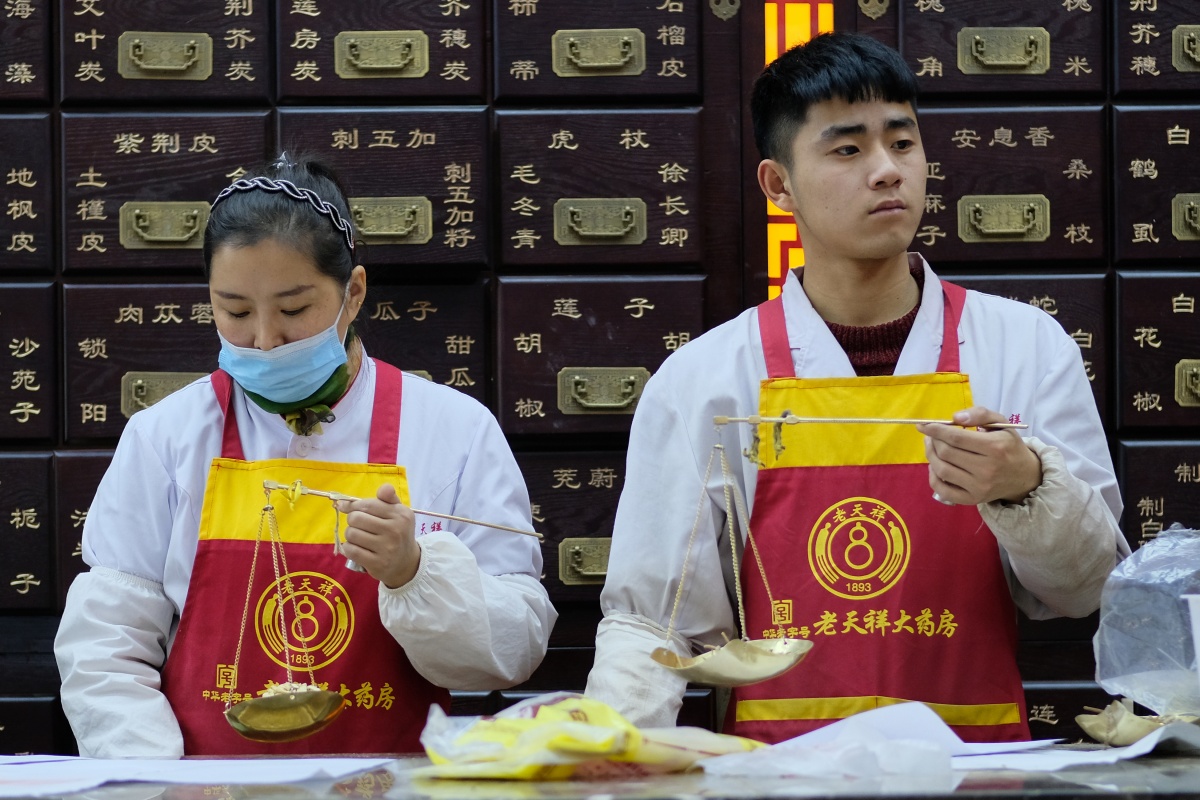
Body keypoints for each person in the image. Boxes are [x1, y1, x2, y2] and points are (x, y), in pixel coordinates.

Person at [585, 32, 1127, 744]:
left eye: (902, 143)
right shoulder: (706, 379)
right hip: (774, 777)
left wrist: (1026, 485)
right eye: (848, 150)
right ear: (778, 185)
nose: (886, 171)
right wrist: (604, 753)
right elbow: (654, 621)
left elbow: (1088, 590)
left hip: (977, 769)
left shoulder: (1024, 347)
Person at [55, 155, 556, 757]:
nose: (265, 341)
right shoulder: (167, 436)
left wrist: (414, 572)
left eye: (294, 310)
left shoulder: (454, 430)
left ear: (354, 294)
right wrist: (161, 785)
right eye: (235, 311)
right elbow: (105, 648)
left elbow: (517, 648)